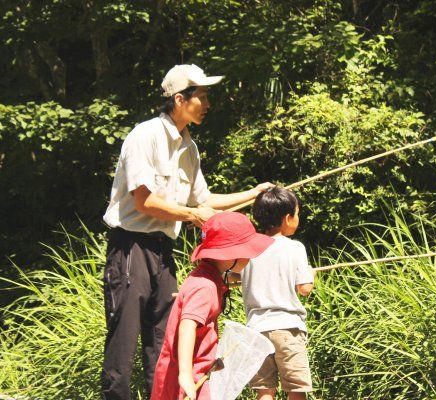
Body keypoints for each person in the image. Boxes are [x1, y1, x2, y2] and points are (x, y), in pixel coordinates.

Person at [101, 64, 272, 400]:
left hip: (164, 250)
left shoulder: (189, 148)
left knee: (163, 340)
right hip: (131, 246)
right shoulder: (145, 136)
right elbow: (145, 201)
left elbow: (205, 200)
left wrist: (253, 194)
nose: (207, 104)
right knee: (124, 338)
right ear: (180, 100)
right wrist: (194, 215)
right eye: (202, 97)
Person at [151, 211, 274, 400]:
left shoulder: (207, 278)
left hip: (200, 371)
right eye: (246, 251)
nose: (250, 257)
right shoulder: (204, 286)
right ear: (229, 254)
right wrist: (185, 375)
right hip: (187, 379)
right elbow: (187, 326)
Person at [241, 187, 315, 400]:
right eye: (297, 214)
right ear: (287, 217)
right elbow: (305, 289)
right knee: (296, 388)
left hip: (256, 329)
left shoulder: (248, 249)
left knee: (265, 390)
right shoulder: (295, 248)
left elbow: (236, 276)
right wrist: (311, 274)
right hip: (288, 329)